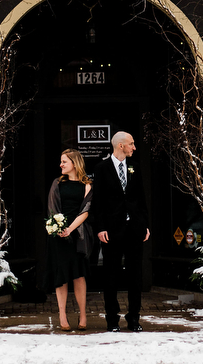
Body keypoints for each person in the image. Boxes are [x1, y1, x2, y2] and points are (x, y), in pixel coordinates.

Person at [92, 131, 149, 332]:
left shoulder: (135, 167)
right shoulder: (101, 169)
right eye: (131, 144)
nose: (134, 147)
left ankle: (134, 318)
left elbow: (141, 197)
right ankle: (112, 320)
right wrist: (100, 228)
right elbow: (97, 201)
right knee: (111, 276)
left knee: (135, 275)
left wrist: (145, 225)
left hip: (134, 229)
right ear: (121, 146)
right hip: (111, 231)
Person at [46, 148, 93, 331]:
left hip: (79, 235)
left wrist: (70, 229)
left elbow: (86, 210)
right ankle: (62, 314)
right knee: (62, 276)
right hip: (59, 236)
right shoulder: (57, 183)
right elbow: (52, 208)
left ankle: (83, 314)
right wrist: (57, 228)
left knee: (79, 276)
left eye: (64, 161)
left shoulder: (87, 185)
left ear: (74, 163)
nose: (61, 165)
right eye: (61, 161)